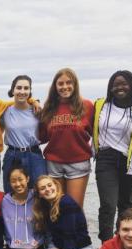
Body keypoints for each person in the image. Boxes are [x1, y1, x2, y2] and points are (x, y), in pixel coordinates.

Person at [92, 70, 132, 242]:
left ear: (131, 86)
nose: (119, 87)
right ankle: (107, 245)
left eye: (124, 84)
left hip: (131, 163)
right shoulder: (100, 105)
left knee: (126, 206)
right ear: (110, 87)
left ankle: (122, 243)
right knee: (108, 205)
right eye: (115, 84)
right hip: (105, 159)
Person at [38, 68, 94, 208]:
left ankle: (77, 231)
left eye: (68, 83)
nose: (64, 87)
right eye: (60, 84)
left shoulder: (86, 106)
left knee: (74, 208)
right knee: (55, 207)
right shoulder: (50, 107)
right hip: (53, 164)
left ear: (75, 85)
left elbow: (97, 134)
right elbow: (42, 136)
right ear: (55, 86)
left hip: (78, 164)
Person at [1, 74, 47, 192]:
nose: (22, 91)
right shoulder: (4, 110)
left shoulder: (37, 110)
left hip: (34, 154)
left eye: (26, 88)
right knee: (11, 193)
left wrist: (35, 102)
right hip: (13, 155)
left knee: (39, 192)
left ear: (30, 91)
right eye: (19, 88)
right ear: (13, 90)